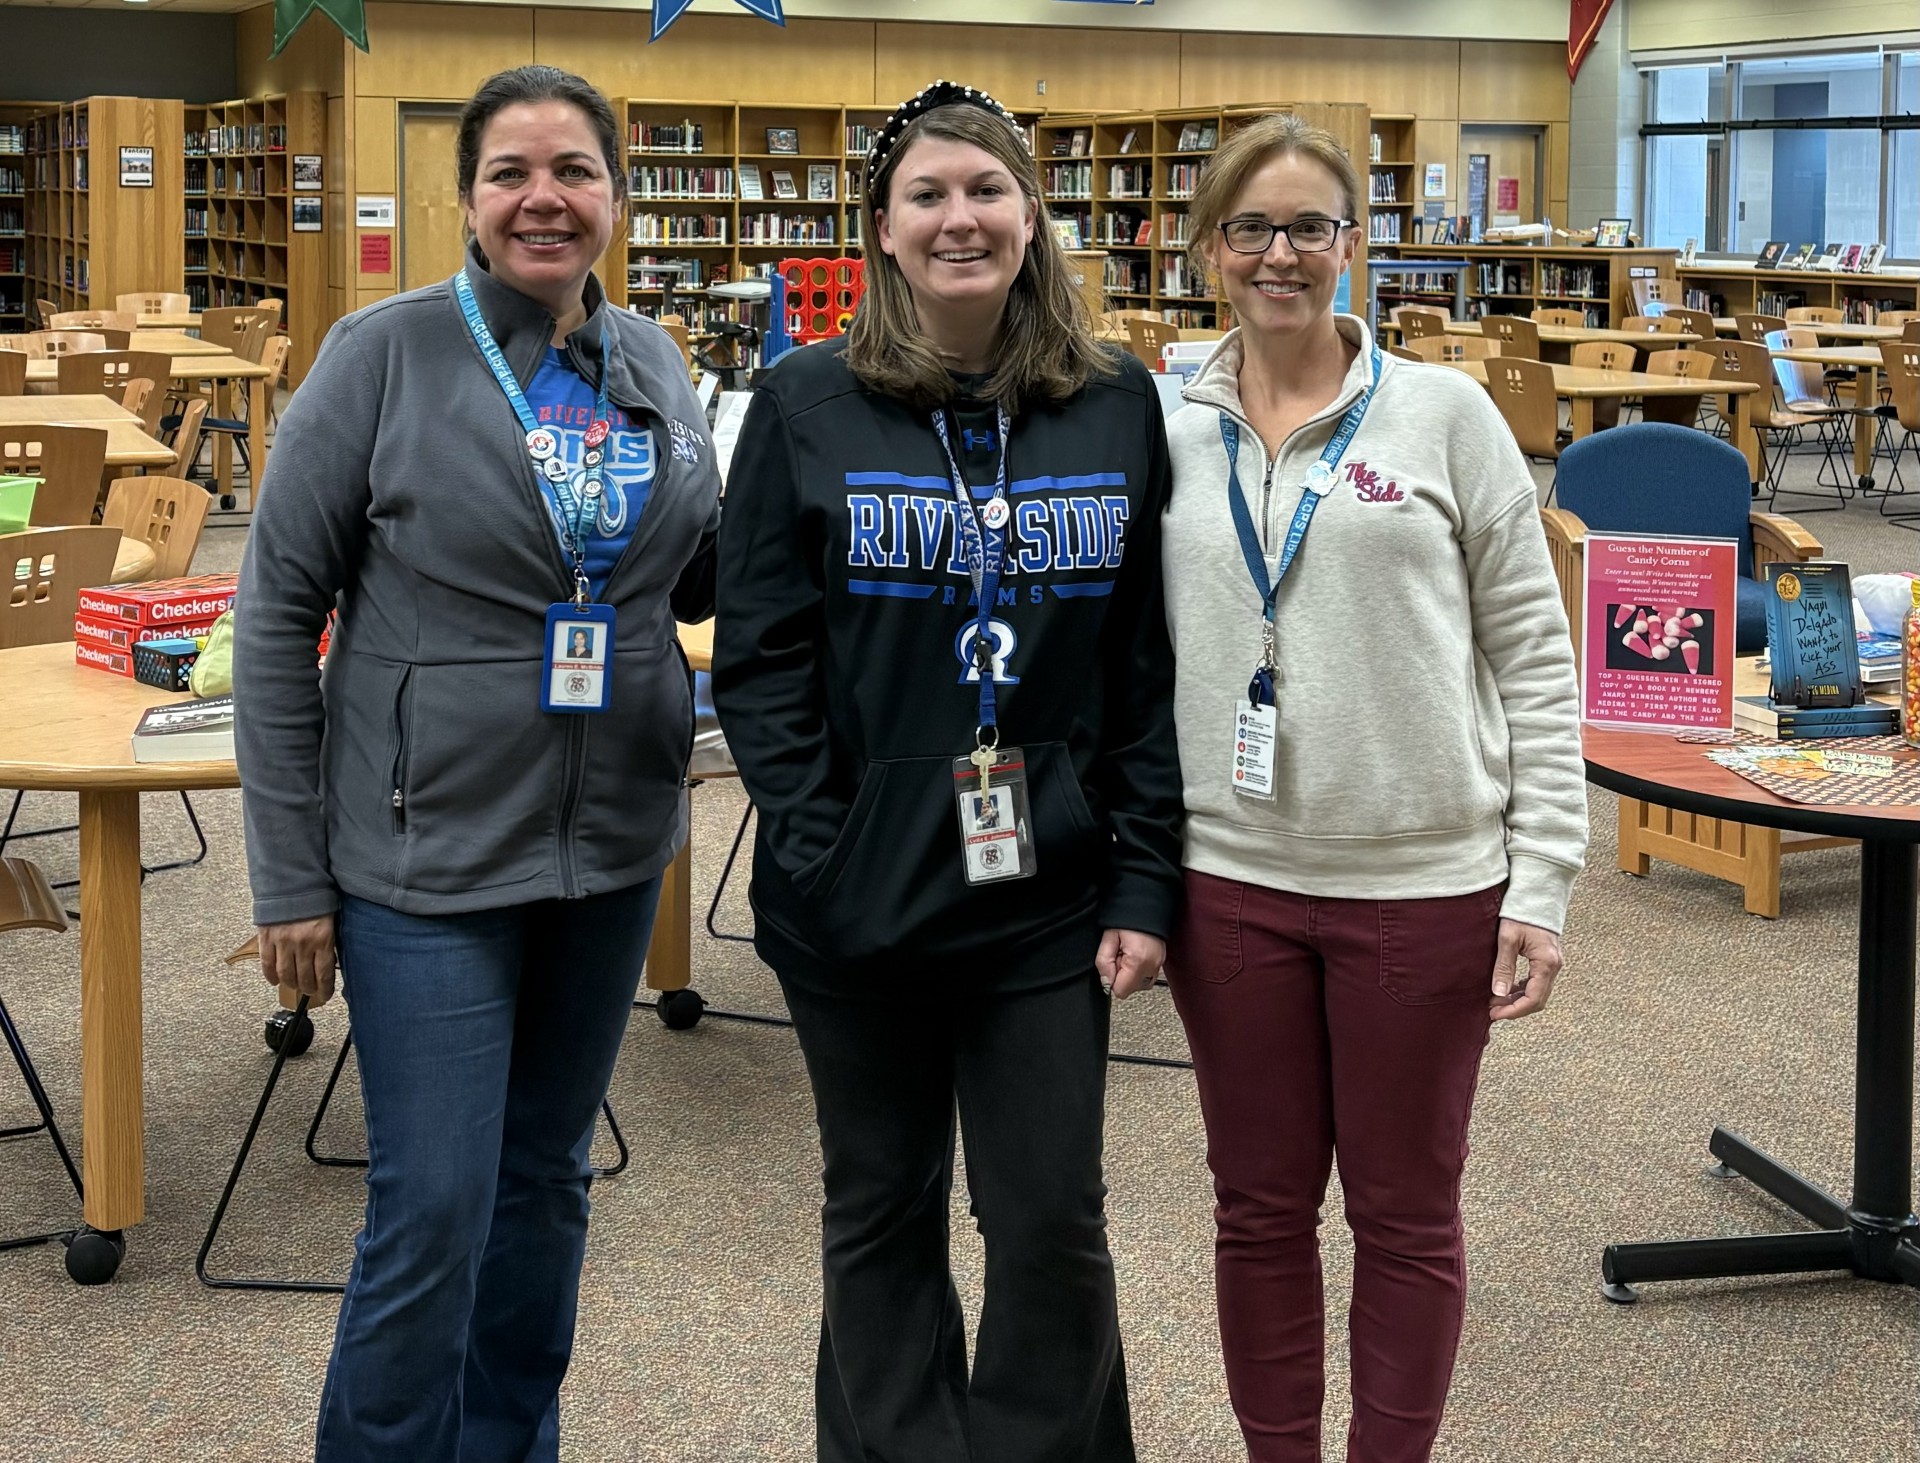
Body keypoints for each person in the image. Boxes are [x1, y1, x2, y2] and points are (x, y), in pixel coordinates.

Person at [234, 65, 721, 1463]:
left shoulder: (652, 364)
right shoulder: (379, 356)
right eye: (511, 173)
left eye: (574, 170)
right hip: (421, 857)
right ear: (467, 201)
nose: (543, 199)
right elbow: (273, 618)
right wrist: (289, 879)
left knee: (543, 1193)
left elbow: (698, 574)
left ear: (617, 197)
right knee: (434, 1207)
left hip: (612, 844)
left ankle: (511, 1445)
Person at [711, 80, 1183, 1463]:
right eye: (928, 194)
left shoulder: (1114, 404)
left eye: (986, 190)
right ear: (882, 228)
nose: (958, 217)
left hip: (1050, 888)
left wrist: (1146, 873)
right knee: (880, 1207)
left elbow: (1145, 661)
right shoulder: (804, 400)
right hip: (856, 894)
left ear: (1032, 219)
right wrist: (821, 844)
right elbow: (761, 654)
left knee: (1049, 1217)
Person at [1159, 114, 1587, 1463]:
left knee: (1406, 1215)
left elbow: (1534, 653)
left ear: (1355, 245)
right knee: (1260, 1209)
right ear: (1209, 248)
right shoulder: (1161, 422)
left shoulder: (1446, 415)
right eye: (1251, 228)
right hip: (1228, 882)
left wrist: (1549, 875)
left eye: (1311, 228)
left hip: (1425, 883)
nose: (1281, 255)